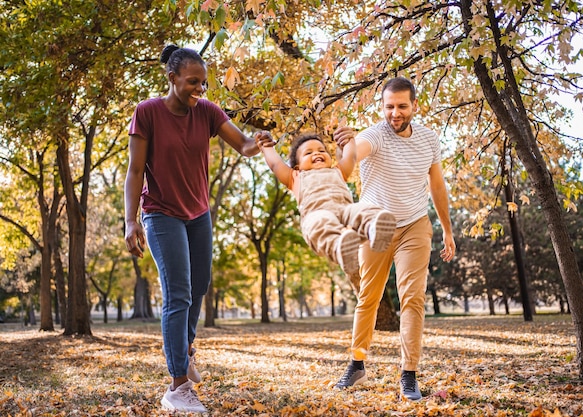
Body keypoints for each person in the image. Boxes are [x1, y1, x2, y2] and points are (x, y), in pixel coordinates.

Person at [124, 44, 273, 413]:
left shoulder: (206, 111)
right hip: (161, 213)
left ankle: (185, 350)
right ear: (171, 78)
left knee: (199, 285)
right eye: (192, 82)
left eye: (203, 84)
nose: (199, 90)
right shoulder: (147, 113)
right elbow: (134, 170)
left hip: (198, 213)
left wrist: (263, 142)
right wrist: (130, 220)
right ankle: (177, 385)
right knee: (178, 295)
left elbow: (244, 145)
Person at [333, 77, 456, 401]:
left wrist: (446, 228)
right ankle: (357, 363)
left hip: (415, 225)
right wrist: (345, 148)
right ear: (382, 107)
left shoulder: (429, 140)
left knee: (412, 298)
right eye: (389, 106)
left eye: (402, 106)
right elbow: (356, 153)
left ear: (415, 105)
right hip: (375, 227)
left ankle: (409, 374)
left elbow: (437, 186)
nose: (395, 113)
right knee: (368, 297)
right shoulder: (374, 135)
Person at [256, 130, 396, 275]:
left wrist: (349, 140)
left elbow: (351, 156)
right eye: (308, 153)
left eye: (321, 150)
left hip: (345, 211)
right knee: (321, 223)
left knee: (362, 209)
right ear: (297, 166)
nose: (317, 154)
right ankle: (340, 247)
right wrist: (266, 146)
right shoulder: (295, 177)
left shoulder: (338, 171)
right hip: (317, 214)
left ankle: (374, 229)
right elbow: (275, 164)